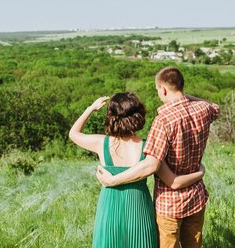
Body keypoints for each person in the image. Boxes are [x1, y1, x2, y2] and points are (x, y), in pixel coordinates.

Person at [97, 67, 219, 248]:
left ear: (163, 89)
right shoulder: (203, 109)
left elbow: (150, 165)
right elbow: (215, 107)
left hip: (169, 204)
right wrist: (184, 98)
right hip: (196, 197)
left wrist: (113, 180)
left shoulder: (163, 121)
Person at [69, 92, 205, 248]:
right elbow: (173, 182)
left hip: (109, 211)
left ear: (111, 116)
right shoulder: (149, 147)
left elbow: (73, 133)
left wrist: (91, 108)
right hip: (140, 210)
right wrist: (200, 173)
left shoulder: (101, 143)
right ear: (138, 116)